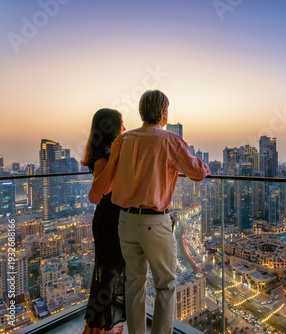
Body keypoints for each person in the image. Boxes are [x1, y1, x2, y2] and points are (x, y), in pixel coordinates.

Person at [110, 90, 210, 334]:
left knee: (134, 283)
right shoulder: (168, 140)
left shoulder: (124, 139)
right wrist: (206, 166)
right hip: (154, 223)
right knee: (166, 285)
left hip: (124, 220)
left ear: (142, 112)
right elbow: (197, 172)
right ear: (164, 113)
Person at [81, 108, 127, 334]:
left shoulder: (105, 152)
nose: (125, 128)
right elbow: (98, 191)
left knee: (107, 275)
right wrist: (115, 155)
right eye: (122, 124)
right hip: (109, 221)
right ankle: (98, 328)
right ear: (112, 127)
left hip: (111, 220)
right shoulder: (103, 154)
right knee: (106, 276)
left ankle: (96, 327)